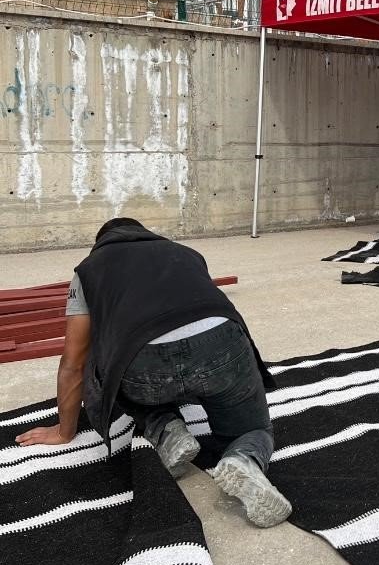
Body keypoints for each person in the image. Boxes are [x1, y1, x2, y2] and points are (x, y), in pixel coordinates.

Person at [16, 217, 291, 528]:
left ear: (101, 243)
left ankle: (167, 430)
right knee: (251, 430)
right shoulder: (185, 253)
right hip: (222, 349)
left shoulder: (90, 269)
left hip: (145, 365)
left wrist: (64, 430)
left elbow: (73, 361)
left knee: (106, 355)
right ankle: (243, 459)